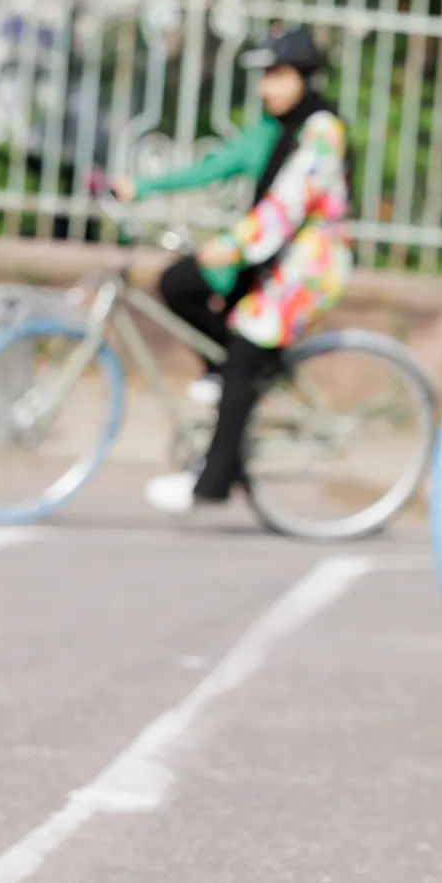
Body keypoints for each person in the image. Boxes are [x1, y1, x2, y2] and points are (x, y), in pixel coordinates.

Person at [113, 28, 353, 518]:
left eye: (281, 76)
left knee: (245, 353)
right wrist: (143, 187)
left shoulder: (322, 130)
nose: (270, 88)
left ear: (305, 78)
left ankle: (213, 481)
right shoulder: (272, 126)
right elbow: (217, 166)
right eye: (267, 77)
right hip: (270, 256)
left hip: (308, 263)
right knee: (180, 283)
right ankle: (227, 397)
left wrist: (231, 247)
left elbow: (288, 206)